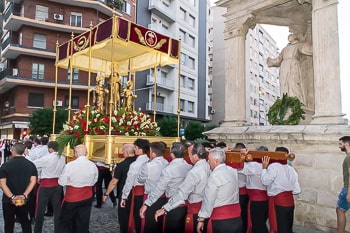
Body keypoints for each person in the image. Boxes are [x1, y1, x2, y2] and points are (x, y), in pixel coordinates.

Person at [155, 143, 211, 233]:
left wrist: (165, 208)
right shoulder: (208, 166)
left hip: (195, 210)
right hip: (204, 209)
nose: (189, 157)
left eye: (189, 154)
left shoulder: (194, 172)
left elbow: (182, 194)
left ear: (196, 156)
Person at [140, 142, 192, 233]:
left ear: (171, 154)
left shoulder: (169, 169)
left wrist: (147, 203)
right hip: (185, 204)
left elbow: (160, 188)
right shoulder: (189, 166)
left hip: (173, 204)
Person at [197, 148, 242, 233]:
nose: (208, 162)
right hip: (236, 218)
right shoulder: (232, 171)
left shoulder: (214, 176)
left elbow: (209, 200)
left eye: (209, 160)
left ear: (216, 161)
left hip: (221, 219)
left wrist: (201, 219)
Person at [57, 144, 98, 233]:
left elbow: (62, 182)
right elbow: (95, 180)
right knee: (83, 222)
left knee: (65, 222)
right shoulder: (93, 165)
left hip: (73, 197)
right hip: (87, 196)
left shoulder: (70, 165)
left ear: (76, 153)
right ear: (86, 153)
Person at [261, 146, 301, 233]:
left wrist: (264, 168)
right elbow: (297, 190)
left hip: (278, 201)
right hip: (290, 201)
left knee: (279, 228)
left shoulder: (273, 167)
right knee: (288, 227)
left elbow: (265, 181)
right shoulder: (291, 169)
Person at [0, 142, 38, 233]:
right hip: (24, 199)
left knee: (9, 224)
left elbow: (2, 184)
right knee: (25, 222)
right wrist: (24, 195)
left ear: (13, 151)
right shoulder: (31, 165)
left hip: (8, 200)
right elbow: (33, 182)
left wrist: (12, 197)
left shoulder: (5, 165)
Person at [266, 33, 312, 105]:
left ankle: (297, 100)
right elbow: (279, 59)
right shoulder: (285, 49)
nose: (289, 37)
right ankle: (286, 101)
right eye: (288, 36)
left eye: (291, 35)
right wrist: (271, 62)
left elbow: (306, 49)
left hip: (293, 64)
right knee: (284, 84)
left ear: (295, 37)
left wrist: (312, 48)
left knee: (293, 82)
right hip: (284, 67)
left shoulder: (298, 45)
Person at [102, 143, 137, 233]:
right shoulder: (139, 162)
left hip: (125, 194)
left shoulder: (122, 165)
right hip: (138, 194)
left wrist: (106, 194)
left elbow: (114, 182)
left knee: (124, 218)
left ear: (126, 152)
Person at [32, 141, 66, 233]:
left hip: (46, 185)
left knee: (40, 210)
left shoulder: (46, 158)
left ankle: (37, 230)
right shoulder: (63, 158)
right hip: (57, 185)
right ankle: (58, 230)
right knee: (57, 210)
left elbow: (33, 164)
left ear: (50, 149)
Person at [137, 141, 169, 233]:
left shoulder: (148, 166)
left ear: (153, 154)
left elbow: (140, 179)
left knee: (149, 224)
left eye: (150, 151)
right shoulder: (167, 163)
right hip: (163, 197)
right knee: (159, 223)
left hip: (150, 197)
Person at [120, 138, 150, 233]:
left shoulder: (135, 165)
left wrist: (124, 197)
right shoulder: (151, 161)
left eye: (136, 147)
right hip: (150, 193)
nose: (135, 149)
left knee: (138, 218)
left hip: (138, 194)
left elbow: (129, 182)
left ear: (140, 149)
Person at [238, 146, 269, 233]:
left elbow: (239, 168)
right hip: (266, 200)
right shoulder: (270, 164)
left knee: (257, 225)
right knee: (261, 223)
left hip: (256, 201)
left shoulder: (254, 165)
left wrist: (242, 155)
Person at [336, 136, 350, 233]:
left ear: (346, 144)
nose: (339, 146)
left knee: (340, 210)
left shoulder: (349, 157)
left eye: (340, 144)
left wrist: (349, 192)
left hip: (347, 189)